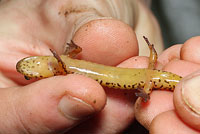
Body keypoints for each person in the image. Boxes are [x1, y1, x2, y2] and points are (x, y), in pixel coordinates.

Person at [0, 0, 199, 133]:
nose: (34, 65)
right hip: (143, 78)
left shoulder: (62, 64)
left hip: (145, 78)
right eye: (30, 72)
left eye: (32, 63)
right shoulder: (62, 68)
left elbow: (74, 52)